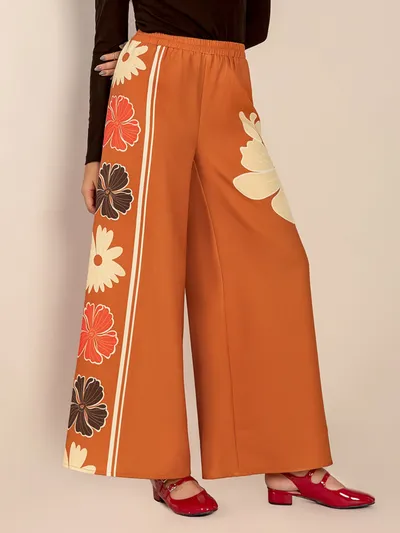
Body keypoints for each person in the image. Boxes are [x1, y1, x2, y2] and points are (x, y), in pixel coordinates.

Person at [63, 0, 375, 516]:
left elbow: (254, 26)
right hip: (151, 81)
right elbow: (107, 36)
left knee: (277, 263)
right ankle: (162, 464)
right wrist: (96, 151)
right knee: (145, 271)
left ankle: (289, 458)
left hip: (227, 78)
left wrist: (203, 48)